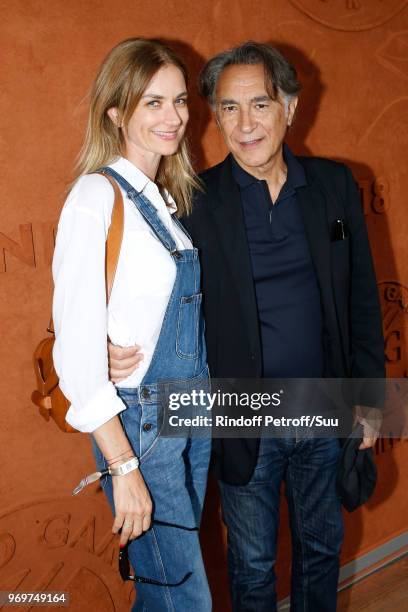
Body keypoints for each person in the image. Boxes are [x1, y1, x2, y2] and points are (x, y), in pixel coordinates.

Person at [109, 41, 385, 611]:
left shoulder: (334, 186)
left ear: (290, 106)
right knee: (253, 567)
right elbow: (128, 288)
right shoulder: (192, 202)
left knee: (320, 552)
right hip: (243, 417)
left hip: (325, 404)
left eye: (259, 104)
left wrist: (370, 399)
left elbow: (361, 300)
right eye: (228, 109)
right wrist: (94, 344)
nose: (245, 124)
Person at [52, 38, 211, 611]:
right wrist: (123, 467)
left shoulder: (164, 200)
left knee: (165, 586)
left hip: (190, 411)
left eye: (179, 101)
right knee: (183, 596)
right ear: (116, 112)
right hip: (144, 425)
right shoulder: (96, 196)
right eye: (152, 103)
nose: (173, 117)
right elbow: (73, 349)